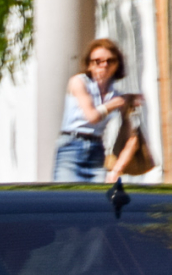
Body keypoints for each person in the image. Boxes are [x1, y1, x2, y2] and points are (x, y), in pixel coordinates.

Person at [56, 38, 140, 182]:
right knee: (67, 200)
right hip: (71, 148)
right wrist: (115, 104)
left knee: (96, 201)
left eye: (110, 61)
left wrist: (116, 170)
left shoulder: (116, 94)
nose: (104, 65)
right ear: (89, 65)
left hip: (96, 149)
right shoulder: (79, 82)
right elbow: (92, 116)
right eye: (98, 61)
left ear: (117, 64)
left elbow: (132, 139)